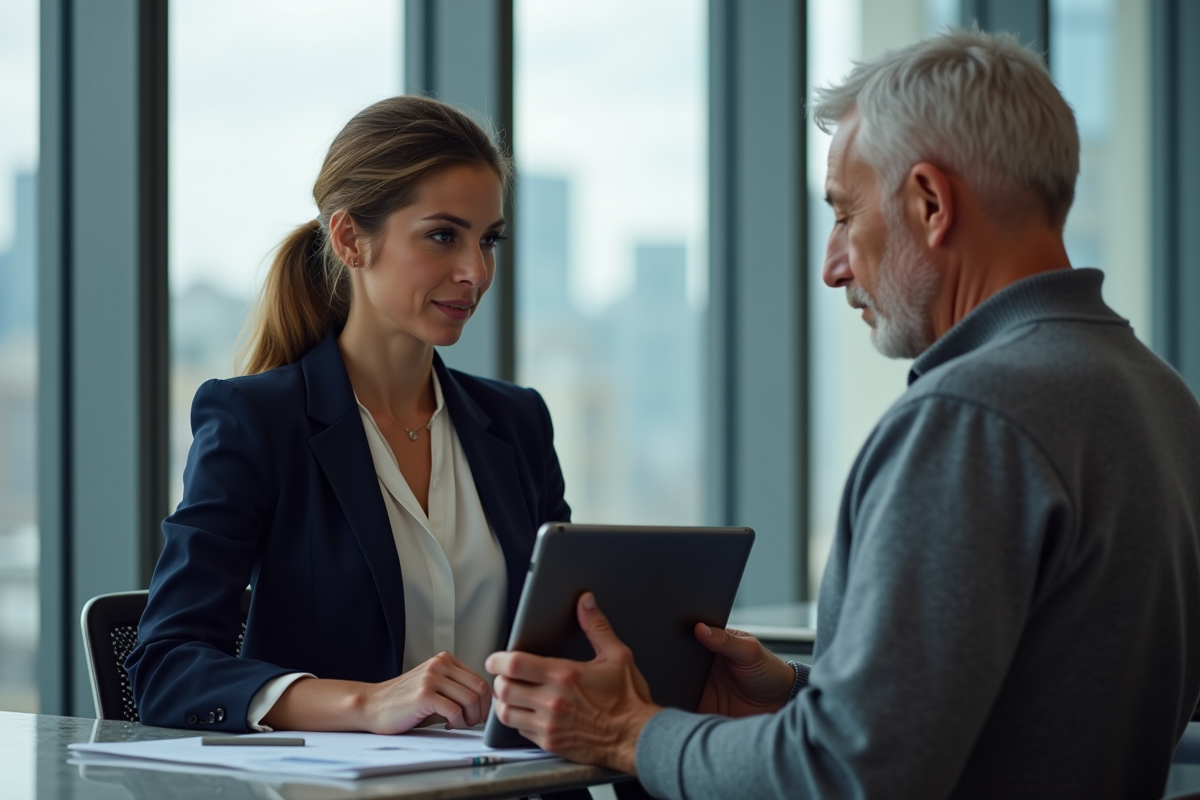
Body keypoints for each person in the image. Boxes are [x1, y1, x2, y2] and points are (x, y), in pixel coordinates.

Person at [485, 28, 1200, 800]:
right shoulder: (1157, 395)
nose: (832, 266)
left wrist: (630, 733)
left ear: (930, 202)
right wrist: (800, 693)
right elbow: (1031, 711)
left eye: (844, 214)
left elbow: (849, 774)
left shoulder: (969, 417)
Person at [126, 96, 572, 741]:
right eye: (443, 235)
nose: (476, 271)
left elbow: (566, 636)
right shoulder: (257, 420)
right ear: (349, 239)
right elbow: (166, 667)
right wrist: (367, 704)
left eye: (489, 240)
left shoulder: (516, 421)